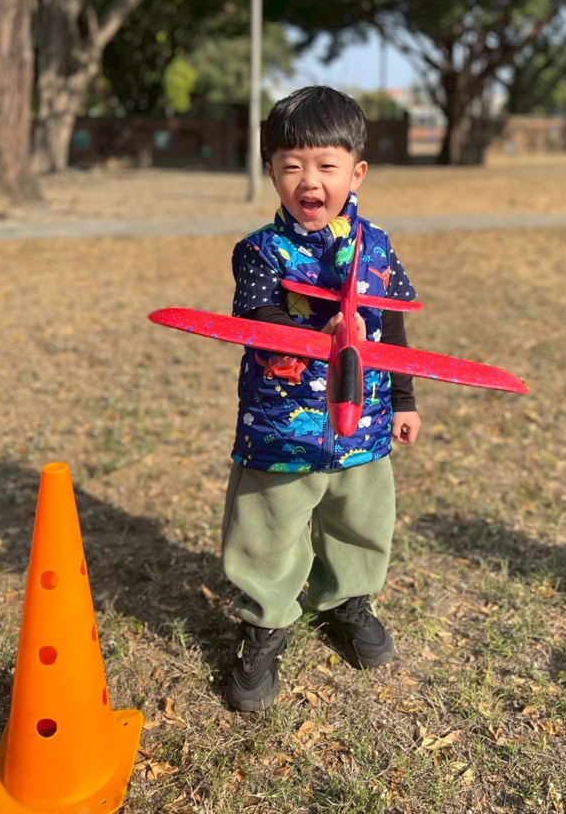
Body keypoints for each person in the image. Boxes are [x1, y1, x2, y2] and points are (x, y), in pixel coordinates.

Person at [222, 85, 421, 711]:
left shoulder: (377, 245)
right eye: (292, 166)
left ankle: (347, 601)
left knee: (360, 519)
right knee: (268, 527)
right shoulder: (259, 250)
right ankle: (266, 621)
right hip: (280, 426)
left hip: (364, 422)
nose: (309, 180)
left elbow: (393, 325)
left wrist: (405, 399)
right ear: (271, 171)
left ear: (356, 172)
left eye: (326, 165)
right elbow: (258, 316)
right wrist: (317, 334)